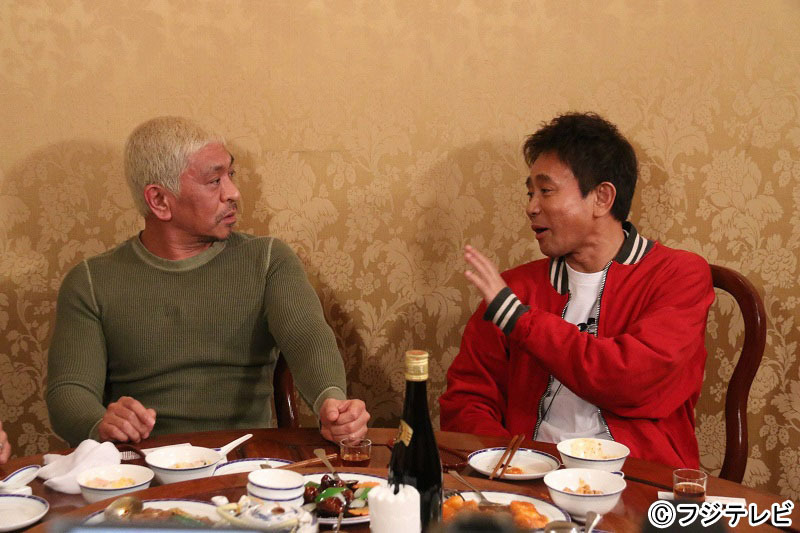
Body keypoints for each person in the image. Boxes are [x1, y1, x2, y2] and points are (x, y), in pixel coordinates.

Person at [47, 116, 369, 446]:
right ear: (159, 200)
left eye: (231, 174)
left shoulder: (268, 259)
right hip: (141, 463)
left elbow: (308, 339)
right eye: (214, 181)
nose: (233, 192)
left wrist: (332, 403)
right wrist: (101, 423)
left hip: (246, 458)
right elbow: (69, 390)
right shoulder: (91, 281)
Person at [439, 112, 714, 468]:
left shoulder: (678, 275)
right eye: (530, 192)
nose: (531, 207)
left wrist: (519, 320)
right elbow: (466, 400)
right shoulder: (515, 289)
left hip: (637, 478)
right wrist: (509, 464)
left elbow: (631, 380)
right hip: (530, 474)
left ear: (602, 197)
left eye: (546, 191)